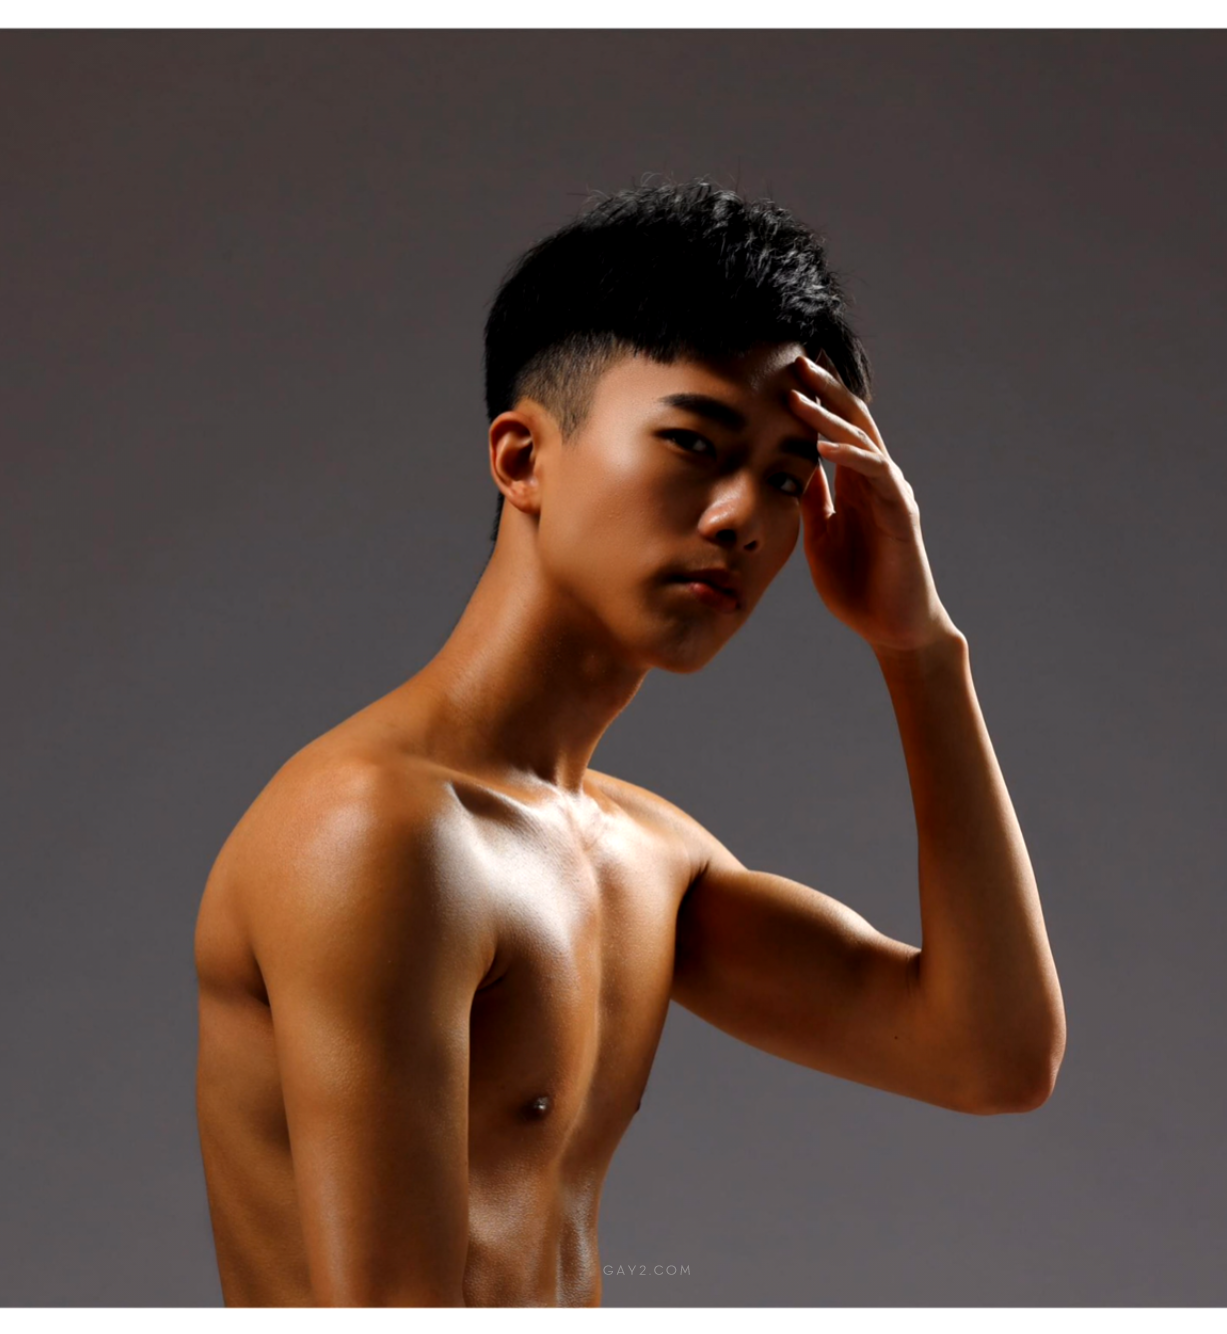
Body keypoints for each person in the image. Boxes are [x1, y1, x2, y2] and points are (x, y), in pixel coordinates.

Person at [192, 177, 1066, 1306]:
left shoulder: (642, 854)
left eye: (787, 477)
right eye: (693, 443)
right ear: (522, 459)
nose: (743, 517)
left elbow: (991, 1057)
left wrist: (918, 647)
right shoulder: (379, 832)